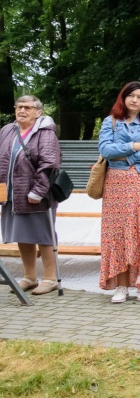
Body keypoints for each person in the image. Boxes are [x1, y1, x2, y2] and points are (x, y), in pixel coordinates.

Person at [98, 81, 140, 303]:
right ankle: (122, 286)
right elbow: (105, 149)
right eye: (131, 95)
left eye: (139, 96)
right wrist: (133, 146)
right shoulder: (110, 121)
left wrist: (124, 158)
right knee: (117, 234)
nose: (135, 100)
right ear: (123, 97)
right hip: (116, 185)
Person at [0, 96, 61, 296]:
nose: (22, 111)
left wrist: (38, 191)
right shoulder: (8, 130)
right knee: (22, 235)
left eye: (27, 107)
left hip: (37, 194)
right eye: (19, 107)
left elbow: (49, 164)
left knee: (44, 235)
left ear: (38, 112)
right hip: (12, 193)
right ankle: (29, 277)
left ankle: (50, 279)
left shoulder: (45, 132)